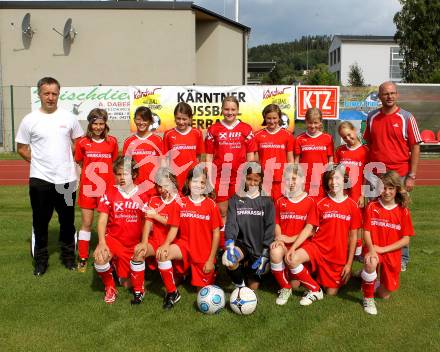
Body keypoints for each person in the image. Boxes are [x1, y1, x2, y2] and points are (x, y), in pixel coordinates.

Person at [15, 77, 84, 276]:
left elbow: (78, 144)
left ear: (58, 94)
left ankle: (69, 258)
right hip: (40, 180)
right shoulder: (29, 120)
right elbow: (21, 148)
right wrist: (39, 162)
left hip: (66, 180)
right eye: (46, 93)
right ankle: (41, 261)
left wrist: (65, 160)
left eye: (54, 93)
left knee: (67, 222)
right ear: (39, 94)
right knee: (40, 222)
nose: (50, 97)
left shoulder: (69, 118)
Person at [363, 81, 422, 271]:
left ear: (397, 95)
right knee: (374, 215)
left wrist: (411, 175)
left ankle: (402, 257)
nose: (389, 96)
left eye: (392, 93)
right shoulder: (372, 117)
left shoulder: (407, 117)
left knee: (399, 215)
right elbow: (369, 145)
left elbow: (415, 146)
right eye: (385, 94)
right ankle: (372, 252)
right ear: (379, 97)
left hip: (399, 174)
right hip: (376, 174)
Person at [285, 165, 362, 306]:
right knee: (292, 259)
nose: (333, 182)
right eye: (330, 179)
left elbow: (353, 237)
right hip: (317, 248)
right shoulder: (320, 203)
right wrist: (293, 247)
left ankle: (317, 278)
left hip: (337, 256)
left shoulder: (352, 205)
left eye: (337, 178)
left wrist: (349, 264)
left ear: (344, 180)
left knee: (331, 293)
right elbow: (309, 228)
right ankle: (314, 289)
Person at [155, 166, 222, 306]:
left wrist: (211, 260)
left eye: (202, 183)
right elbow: (174, 227)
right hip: (184, 246)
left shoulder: (211, 205)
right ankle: (173, 293)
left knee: (203, 294)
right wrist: (166, 244)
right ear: (188, 182)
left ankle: (213, 268)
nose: (198, 185)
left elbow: (216, 234)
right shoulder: (181, 202)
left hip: (203, 252)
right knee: (163, 254)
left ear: (206, 186)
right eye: (195, 181)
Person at [93, 156, 149, 305]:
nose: (122, 177)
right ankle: (110, 287)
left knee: (127, 284)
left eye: (126, 173)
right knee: (99, 257)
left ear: (134, 174)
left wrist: (144, 242)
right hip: (114, 239)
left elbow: (148, 221)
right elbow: (102, 220)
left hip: (133, 243)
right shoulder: (110, 192)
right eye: (118, 174)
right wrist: (101, 242)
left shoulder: (143, 194)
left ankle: (137, 285)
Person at [360, 171, 414, 315]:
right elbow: (366, 232)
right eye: (384, 188)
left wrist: (383, 249)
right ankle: (368, 298)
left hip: (390, 253)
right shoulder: (372, 206)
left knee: (384, 295)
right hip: (374, 249)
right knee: (371, 261)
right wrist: (372, 250)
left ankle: (366, 278)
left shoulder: (403, 211)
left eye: (391, 188)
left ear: (397, 189)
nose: (387, 192)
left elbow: (405, 239)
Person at [75, 108, 119, 272]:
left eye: (101, 123)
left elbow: (113, 163)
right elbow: (80, 162)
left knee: (107, 225)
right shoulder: (82, 142)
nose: (99, 127)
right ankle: (83, 257)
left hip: (106, 190)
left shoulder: (112, 141)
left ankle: (108, 255)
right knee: (86, 224)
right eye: (95, 124)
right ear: (90, 124)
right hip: (88, 189)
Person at [269, 163, 318, 305]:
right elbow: (276, 223)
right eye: (288, 179)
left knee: (292, 260)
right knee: (274, 251)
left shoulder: (310, 201)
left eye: (295, 179)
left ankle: (315, 289)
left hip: (304, 244)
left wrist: (290, 241)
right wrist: (279, 239)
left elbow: (310, 230)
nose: (291, 183)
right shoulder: (280, 201)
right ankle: (285, 288)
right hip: (285, 242)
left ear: (303, 180)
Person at [222, 162, 275, 290]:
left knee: (254, 286)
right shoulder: (235, 199)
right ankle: (240, 286)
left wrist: (264, 254)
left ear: (261, 179)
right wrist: (229, 244)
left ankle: (250, 272)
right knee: (228, 259)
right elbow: (231, 224)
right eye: (249, 179)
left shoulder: (267, 200)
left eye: (256, 180)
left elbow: (270, 227)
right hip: (243, 245)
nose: (252, 183)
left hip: (259, 248)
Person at [205, 96, 256, 224]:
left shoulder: (246, 129)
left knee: (239, 210)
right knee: (222, 211)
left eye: (233, 109)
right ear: (222, 110)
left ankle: (237, 241)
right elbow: (209, 157)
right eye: (226, 109)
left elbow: (251, 156)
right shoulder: (213, 129)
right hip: (220, 177)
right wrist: (210, 180)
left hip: (239, 177)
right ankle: (224, 241)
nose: (230, 112)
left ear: (238, 110)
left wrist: (249, 178)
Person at [138, 168, 181, 309]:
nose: (161, 189)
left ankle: (172, 292)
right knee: (138, 251)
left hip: (174, 240)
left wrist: (156, 216)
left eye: (165, 185)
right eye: (159, 186)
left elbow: (175, 225)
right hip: (155, 240)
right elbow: (148, 222)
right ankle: (139, 292)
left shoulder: (180, 200)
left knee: (163, 254)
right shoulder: (154, 200)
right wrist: (144, 243)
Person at [335, 121, 369, 258]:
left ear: (354, 131)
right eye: (344, 137)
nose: (348, 139)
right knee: (345, 220)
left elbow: (368, 174)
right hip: (343, 193)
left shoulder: (365, 151)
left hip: (357, 192)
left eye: (349, 135)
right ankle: (346, 247)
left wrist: (363, 194)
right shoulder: (340, 151)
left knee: (359, 221)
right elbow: (335, 172)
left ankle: (359, 245)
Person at [254, 104, 295, 200]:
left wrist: (291, 178)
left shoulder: (287, 135)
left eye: (274, 118)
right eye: (269, 118)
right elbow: (255, 160)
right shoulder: (257, 135)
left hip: (282, 180)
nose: (272, 121)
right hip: (264, 180)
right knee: (265, 210)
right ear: (264, 118)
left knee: (280, 209)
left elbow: (290, 159)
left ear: (279, 118)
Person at [123, 106, 164, 197]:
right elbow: (126, 167)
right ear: (134, 120)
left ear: (150, 121)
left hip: (154, 188)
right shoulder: (129, 141)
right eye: (138, 119)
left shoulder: (157, 140)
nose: (141, 123)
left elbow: (163, 164)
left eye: (145, 120)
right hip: (135, 189)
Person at [163, 102, 205, 190]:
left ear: (190, 119)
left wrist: (200, 175)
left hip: (192, 178)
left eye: (184, 119)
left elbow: (199, 157)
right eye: (178, 118)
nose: (181, 122)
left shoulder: (197, 133)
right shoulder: (168, 134)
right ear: (174, 118)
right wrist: (165, 177)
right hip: (175, 178)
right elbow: (165, 158)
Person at [294, 107, 334, 200]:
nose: (312, 126)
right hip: (305, 181)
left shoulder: (327, 138)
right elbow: (296, 162)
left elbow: (331, 161)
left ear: (320, 122)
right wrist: (296, 179)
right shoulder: (299, 139)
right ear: (306, 122)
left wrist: (329, 180)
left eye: (315, 123)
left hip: (322, 182)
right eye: (310, 123)